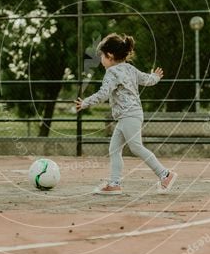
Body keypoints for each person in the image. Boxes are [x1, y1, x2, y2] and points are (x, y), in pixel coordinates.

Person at [75, 33, 177, 195]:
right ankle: (115, 184)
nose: (101, 60)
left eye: (101, 55)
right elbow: (147, 80)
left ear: (109, 56)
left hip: (129, 116)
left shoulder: (112, 73)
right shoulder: (130, 68)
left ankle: (165, 174)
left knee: (136, 147)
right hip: (130, 116)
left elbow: (103, 94)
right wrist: (156, 77)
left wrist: (85, 102)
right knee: (114, 149)